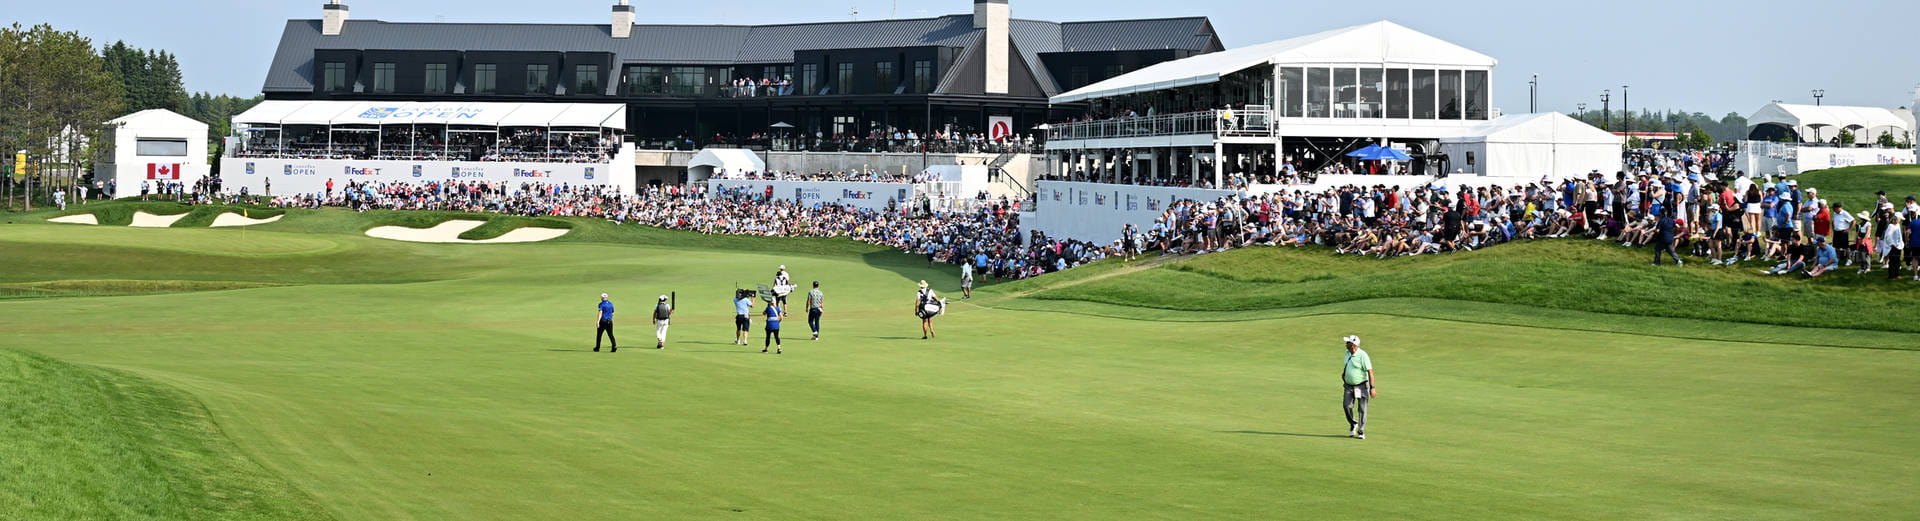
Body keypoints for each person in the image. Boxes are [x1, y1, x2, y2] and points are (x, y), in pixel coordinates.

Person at [1341, 335, 1375, 439]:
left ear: (1354, 345)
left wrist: (1372, 387)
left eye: (1348, 342)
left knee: (1362, 409)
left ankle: (1361, 431)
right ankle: (1353, 423)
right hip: (1348, 386)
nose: (1346, 344)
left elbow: (1370, 371)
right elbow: (1347, 366)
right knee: (1347, 406)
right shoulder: (1347, 353)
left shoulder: (1363, 355)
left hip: (1361, 386)